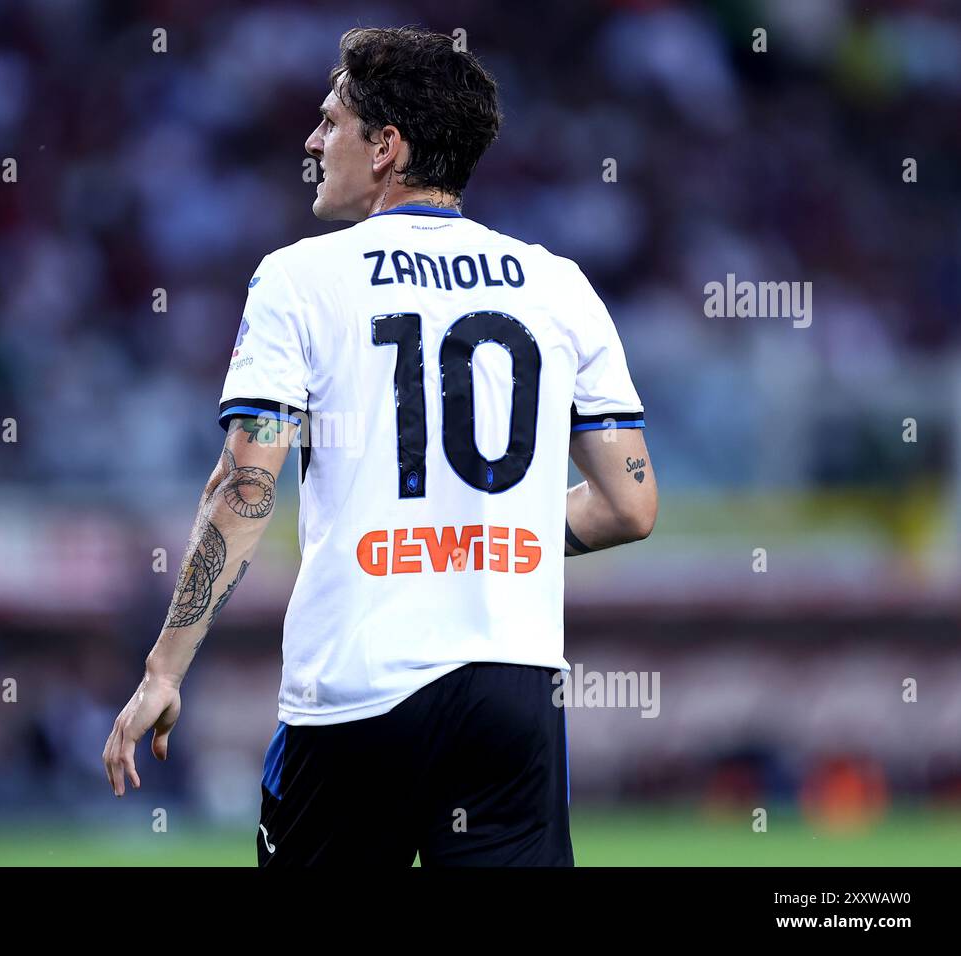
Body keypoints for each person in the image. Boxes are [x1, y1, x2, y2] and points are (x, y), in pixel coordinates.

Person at [104, 25, 657, 867]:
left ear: (387, 146)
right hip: (513, 687)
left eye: (332, 122)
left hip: (359, 690)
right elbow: (631, 504)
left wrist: (165, 667)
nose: (313, 141)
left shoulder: (300, 278)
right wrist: (481, 545)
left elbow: (243, 486)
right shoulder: (559, 284)